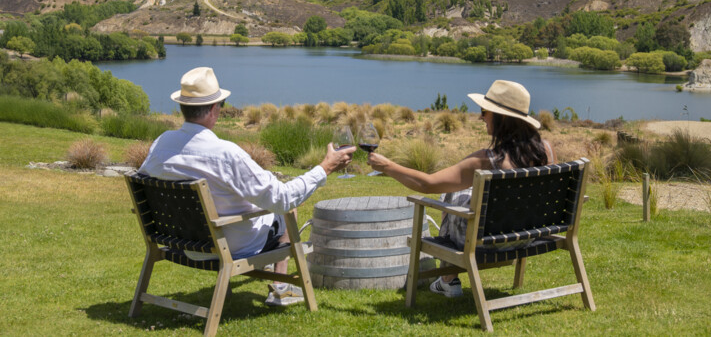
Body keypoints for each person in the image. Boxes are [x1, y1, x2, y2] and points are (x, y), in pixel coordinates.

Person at [138, 67, 355, 307]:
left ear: (183, 108)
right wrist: (324, 167)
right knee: (287, 210)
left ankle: (279, 286)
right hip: (228, 245)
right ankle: (280, 286)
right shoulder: (225, 154)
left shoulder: (162, 143)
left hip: (180, 240)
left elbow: (146, 178)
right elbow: (282, 198)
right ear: (214, 109)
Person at [366, 80, 554, 299]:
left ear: (501, 117)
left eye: (485, 111)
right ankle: (448, 279)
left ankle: (448, 279)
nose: (481, 117)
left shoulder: (486, 160)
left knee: (453, 194)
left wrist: (387, 166)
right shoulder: (547, 150)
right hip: (528, 236)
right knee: (463, 195)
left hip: (488, 243)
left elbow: (428, 183)